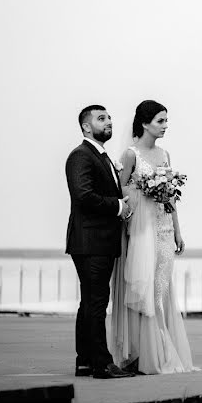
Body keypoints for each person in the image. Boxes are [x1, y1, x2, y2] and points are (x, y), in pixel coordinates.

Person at [109, 99, 198, 374]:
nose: (165, 126)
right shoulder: (130, 155)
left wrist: (178, 231)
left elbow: (170, 197)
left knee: (162, 288)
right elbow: (119, 193)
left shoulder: (165, 155)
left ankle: (162, 347)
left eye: (166, 120)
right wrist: (143, 193)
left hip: (164, 230)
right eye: (160, 121)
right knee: (143, 287)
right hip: (141, 231)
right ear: (145, 123)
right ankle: (141, 352)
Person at [65, 105, 135, 379]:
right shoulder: (81, 156)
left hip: (98, 240)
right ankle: (102, 364)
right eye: (101, 118)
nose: (108, 122)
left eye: (109, 118)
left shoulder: (101, 156)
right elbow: (83, 195)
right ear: (85, 126)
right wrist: (118, 206)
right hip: (90, 241)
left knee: (90, 302)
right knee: (96, 302)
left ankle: (85, 361)